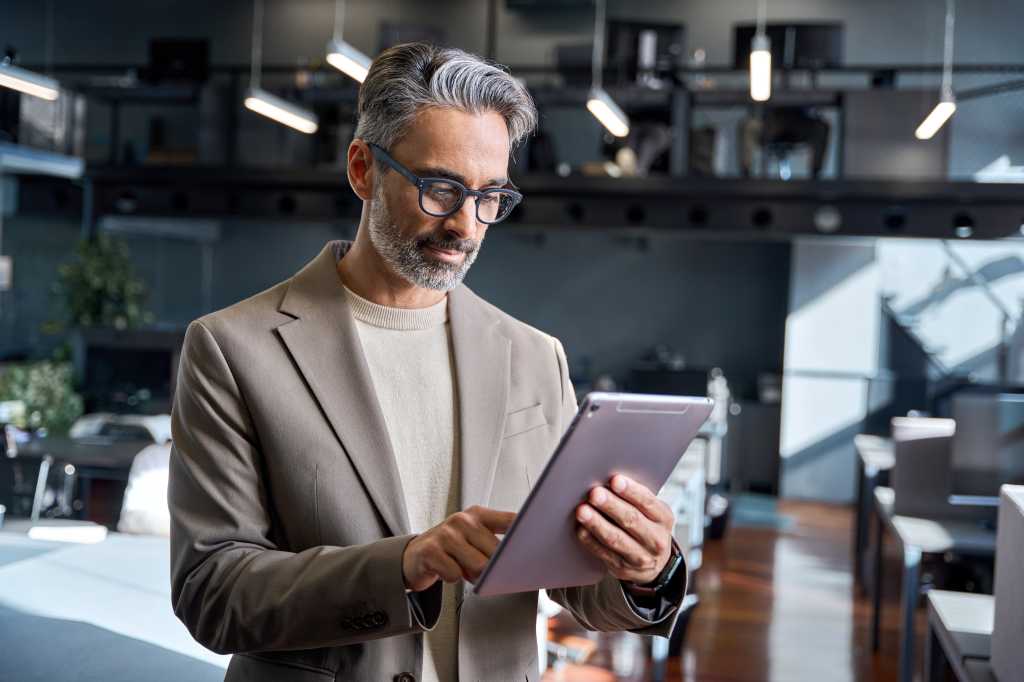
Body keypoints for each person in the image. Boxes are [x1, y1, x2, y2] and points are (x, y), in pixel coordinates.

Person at [168, 42, 687, 682]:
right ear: (363, 169)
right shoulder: (231, 348)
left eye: (490, 195)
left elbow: (572, 583)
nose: (467, 226)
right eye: (440, 189)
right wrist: (405, 564)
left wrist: (644, 569)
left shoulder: (533, 357)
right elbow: (210, 591)